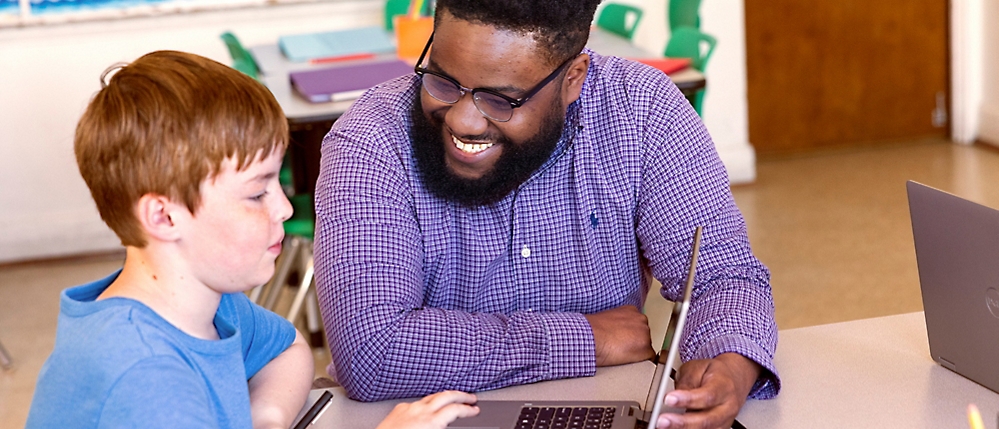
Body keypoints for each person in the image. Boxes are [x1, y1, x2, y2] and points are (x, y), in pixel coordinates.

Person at [314, 0, 780, 427]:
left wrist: (732, 360)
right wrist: (585, 339)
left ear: (574, 77)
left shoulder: (644, 111)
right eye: (441, 81)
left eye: (501, 100)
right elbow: (371, 351)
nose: (462, 120)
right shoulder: (370, 140)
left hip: (601, 401)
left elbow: (724, 274)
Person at [25, 50, 478, 429]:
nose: (284, 208)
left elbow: (287, 348)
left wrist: (267, 420)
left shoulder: (212, 305)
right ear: (163, 216)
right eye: (257, 193)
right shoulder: (145, 376)